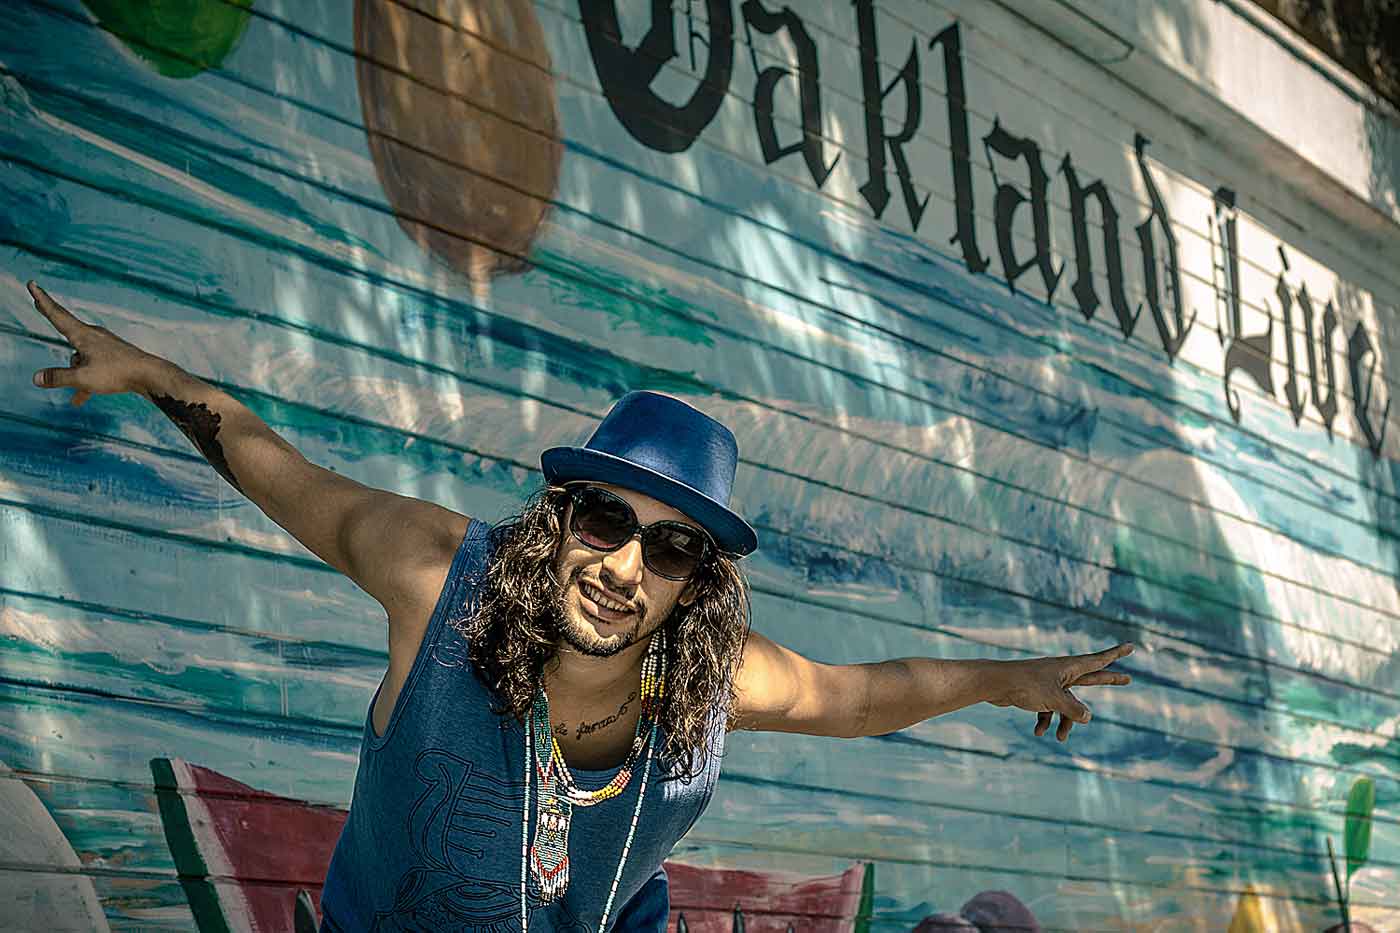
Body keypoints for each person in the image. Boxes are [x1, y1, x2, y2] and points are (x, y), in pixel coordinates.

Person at [24, 282, 1134, 931]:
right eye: (605, 519)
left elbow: (864, 697)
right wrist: (154, 375)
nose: (624, 565)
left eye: (671, 546)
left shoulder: (705, 676)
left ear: (695, 581)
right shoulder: (436, 579)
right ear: (558, 521)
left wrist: (1009, 680)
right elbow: (281, 473)